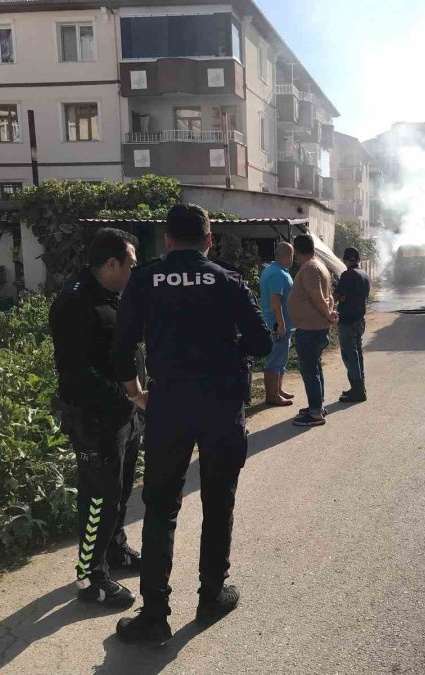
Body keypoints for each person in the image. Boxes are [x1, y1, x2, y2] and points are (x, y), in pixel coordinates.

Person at [110, 204, 272, 645]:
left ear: (166, 239)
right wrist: (228, 350)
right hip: (221, 405)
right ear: (208, 240)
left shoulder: (144, 279)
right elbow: (261, 341)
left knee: (160, 508)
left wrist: (137, 393)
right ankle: (211, 596)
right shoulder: (228, 280)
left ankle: (155, 616)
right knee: (219, 502)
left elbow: (120, 349)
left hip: (169, 405)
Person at [48, 228, 144, 607]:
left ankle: (115, 551)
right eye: (131, 264)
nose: (134, 270)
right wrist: (128, 395)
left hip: (124, 414)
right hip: (95, 419)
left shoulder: (111, 295)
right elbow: (77, 371)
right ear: (111, 263)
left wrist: (132, 400)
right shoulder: (75, 303)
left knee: (120, 489)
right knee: (98, 497)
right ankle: (90, 578)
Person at [288, 233, 338, 427]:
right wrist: (330, 312)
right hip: (314, 327)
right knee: (314, 368)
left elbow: (318, 297)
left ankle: (315, 412)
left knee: (310, 370)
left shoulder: (309, 268)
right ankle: (317, 405)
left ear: (296, 251)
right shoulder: (319, 266)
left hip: (311, 329)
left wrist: (328, 314)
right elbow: (329, 297)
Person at [259, 241, 296, 406]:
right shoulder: (278, 274)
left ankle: (278, 390)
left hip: (282, 323)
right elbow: (276, 301)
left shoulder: (276, 271)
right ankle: (272, 396)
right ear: (288, 256)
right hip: (277, 324)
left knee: (281, 359)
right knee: (275, 360)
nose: (292, 260)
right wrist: (281, 324)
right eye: (292, 256)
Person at [333, 247, 370, 403]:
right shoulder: (364, 275)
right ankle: (359, 387)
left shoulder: (347, 275)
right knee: (357, 355)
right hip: (359, 320)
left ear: (344, 260)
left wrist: (335, 299)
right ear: (359, 260)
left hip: (347, 321)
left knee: (350, 356)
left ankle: (357, 390)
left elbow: (337, 295)